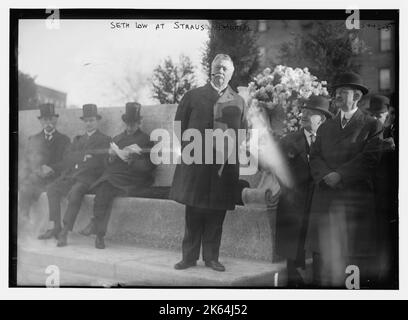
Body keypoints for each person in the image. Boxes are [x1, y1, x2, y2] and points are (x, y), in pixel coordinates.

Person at [170, 54, 246, 272]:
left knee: (216, 213)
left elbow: (243, 132)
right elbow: (179, 127)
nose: (220, 72)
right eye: (217, 68)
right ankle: (189, 257)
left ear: (231, 73)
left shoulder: (239, 101)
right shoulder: (193, 96)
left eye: (225, 69)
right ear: (210, 70)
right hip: (196, 165)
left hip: (224, 168)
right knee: (193, 211)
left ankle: (212, 257)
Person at [308, 72, 383, 288]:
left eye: (343, 92)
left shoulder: (371, 126)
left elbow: (369, 159)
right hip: (326, 202)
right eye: (336, 92)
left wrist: (340, 175)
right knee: (323, 259)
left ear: (357, 97)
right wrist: (325, 176)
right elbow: (315, 156)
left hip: (354, 204)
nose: (337, 96)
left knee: (351, 259)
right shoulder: (326, 126)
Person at [79, 102, 156, 249]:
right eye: (127, 123)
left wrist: (133, 159)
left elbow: (150, 166)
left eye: (133, 124)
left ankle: (96, 227)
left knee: (105, 186)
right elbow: (107, 165)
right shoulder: (117, 138)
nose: (129, 127)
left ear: (139, 123)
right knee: (105, 190)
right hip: (116, 178)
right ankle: (99, 235)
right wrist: (111, 157)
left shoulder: (146, 139)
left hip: (134, 178)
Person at [275, 95, 333, 287]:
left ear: (322, 119)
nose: (303, 115)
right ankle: (294, 280)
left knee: (318, 248)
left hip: (319, 204)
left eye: (310, 113)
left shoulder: (330, 143)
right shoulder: (288, 141)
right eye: (303, 111)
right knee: (293, 250)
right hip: (294, 203)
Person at [38, 104, 110, 246]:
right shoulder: (77, 139)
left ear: (97, 121)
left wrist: (79, 157)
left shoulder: (104, 139)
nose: (89, 123)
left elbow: (98, 162)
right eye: (86, 121)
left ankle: (65, 230)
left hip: (89, 178)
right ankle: (56, 226)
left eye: (92, 120)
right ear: (83, 122)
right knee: (52, 188)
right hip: (72, 175)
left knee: (76, 192)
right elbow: (68, 157)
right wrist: (84, 156)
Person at [19, 103, 70, 219]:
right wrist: (37, 170)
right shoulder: (33, 139)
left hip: (56, 178)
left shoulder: (64, 140)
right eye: (45, 119)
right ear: (41, 121)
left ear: (56, 120)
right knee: (25, 186)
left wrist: (52, 168)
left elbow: (67, 162)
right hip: (38, 178)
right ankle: (23, 219)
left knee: (52, 190)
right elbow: (27, 162)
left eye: (51, 119)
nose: (48, 122)